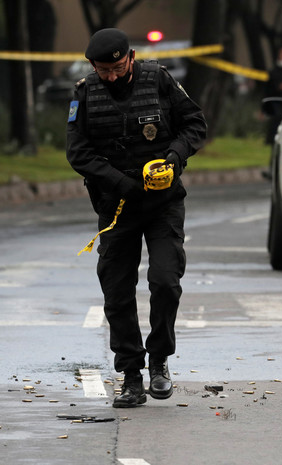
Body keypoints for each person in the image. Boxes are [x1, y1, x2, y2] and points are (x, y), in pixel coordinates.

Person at [66, 28, 207, 408]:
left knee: (164, 280)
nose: (110, 76)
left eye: (115, 67)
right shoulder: (84, 92)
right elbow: (77, 152)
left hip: (163, 204)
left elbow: (195, 125)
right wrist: (120, 182)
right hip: (117, 208)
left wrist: (175, 158)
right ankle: (131, 375)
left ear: (129, 58)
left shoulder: (158, 79)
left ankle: (158, 359)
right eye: (102, 69)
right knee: (116, 292)